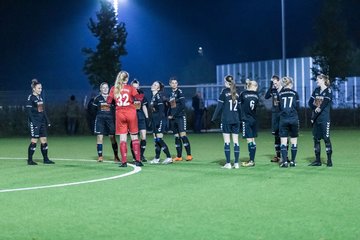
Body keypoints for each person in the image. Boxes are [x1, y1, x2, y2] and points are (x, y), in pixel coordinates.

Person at [107, 71, 144, 167]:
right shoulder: (130, 88)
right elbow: (139, 98)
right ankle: (138, 160)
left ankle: (124, 162)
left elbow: (108, 101)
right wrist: (141, 94)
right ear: (127, 79)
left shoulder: (113, 88)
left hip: (120, 114)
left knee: (123, 139)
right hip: (131, 113)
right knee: (134, 137)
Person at [211, 75, 241, 169]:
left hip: (226, 120)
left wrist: (213, 118)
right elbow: (240, 109)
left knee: (227, 142)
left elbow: (219, 107)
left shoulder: (224, 92)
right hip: (236, 120)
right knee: (236, 142)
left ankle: (228, 163)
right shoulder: (237, 93)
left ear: (226, 82)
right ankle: (236, 163)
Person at [26, 79, 54, 165]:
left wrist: (47, 120)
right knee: (34, 140)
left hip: (41, 122)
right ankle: (30, 160)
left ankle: (46, 159)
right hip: (35, 122)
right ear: (34, 89)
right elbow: (29, 111)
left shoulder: (40, 98)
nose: (40, 90)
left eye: (41, 88)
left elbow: (42, 110)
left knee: (44, 140)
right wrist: (34, 122)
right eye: (39, 88)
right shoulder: (31, 97)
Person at [308, 73, 333, 167]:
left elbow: (324, 104)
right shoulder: (316, 90)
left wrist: (318, 108)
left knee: (326, 139)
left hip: (324, 119)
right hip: (315, 119)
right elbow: (310, 102)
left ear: (322, 79)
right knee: (316, 139)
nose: (316, 81)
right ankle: (317, 161)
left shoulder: (328, 91)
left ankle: (329, 161)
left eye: (318, 79)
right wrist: (315, 111)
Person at [92, 82, 120, 162]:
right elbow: (93, 111)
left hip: (110, 120)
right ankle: (100, 156)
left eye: (106, 87)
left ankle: (116, 156)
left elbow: (116, 109)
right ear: (100, 89)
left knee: (112, 138)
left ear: (108, 89)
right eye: (103, 88)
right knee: (99, 137)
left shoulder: (112, 98)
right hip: (100, 120)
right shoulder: (97, 98)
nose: (105, 89)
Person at [168, 77, 193, 161]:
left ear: (177, 84)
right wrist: (169, 114)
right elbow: (172, 106)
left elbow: (182, 105)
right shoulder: (171, 94)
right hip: (173, 118)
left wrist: (174, 114)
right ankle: (179, 156)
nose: (174, 84)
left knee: (183, 135)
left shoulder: (180, 92)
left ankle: (189, 155)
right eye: (173, 83)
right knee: (176, 136)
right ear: (170, 84)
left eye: (176, 83)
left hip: (180, 117)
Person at [148, 81, 173, 164]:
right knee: (156, 140)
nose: (153, 85)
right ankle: (157, 158)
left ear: (158, 88)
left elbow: (162, 109)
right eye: (153, 84)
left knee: (159, 139)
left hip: (160, 120)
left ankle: (169, 157)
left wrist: (159, 120)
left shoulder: (158, 95)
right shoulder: (154, 96)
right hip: (155, 120)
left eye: (155, 85)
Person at [277, 77, 300, 168]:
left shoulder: (280, 94)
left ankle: (285, 162)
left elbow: (279, 107)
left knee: (283, 141)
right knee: (294, 140)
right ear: (290, 84)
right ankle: (293, 162)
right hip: (293, 118)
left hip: (283, 119)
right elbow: (297, 107)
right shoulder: (295, 93)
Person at [240, 79, 259, 167]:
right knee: (253, 140)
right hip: (254, 119)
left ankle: (251, 161)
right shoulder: (256, 95)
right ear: (254, 86)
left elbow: (239, 105)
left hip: (246, 119)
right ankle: (252, 159)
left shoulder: (243, 94)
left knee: (249, 140)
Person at [264, 75, 283, 163]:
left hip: (282, 115)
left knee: (283, 135)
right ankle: (278, 156)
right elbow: (266, 96)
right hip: (275, 115)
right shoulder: (273, 90)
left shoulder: (283, 90)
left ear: (279, 81)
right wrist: (270, 85)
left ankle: (284, 156)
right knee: (276, 136)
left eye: (276, 83)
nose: (275, 85)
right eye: (273, 83)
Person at [130, 79, 149, 162]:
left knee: (143, 137)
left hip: (141, 117)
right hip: (132, 117)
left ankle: (141, 155)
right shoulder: (128, 94)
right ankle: (135, 155)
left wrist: (147, 117)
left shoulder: (141, 94)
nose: (135, 89)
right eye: (134, 87)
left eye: (137, 87)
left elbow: (144, 106)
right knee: (134, 138)